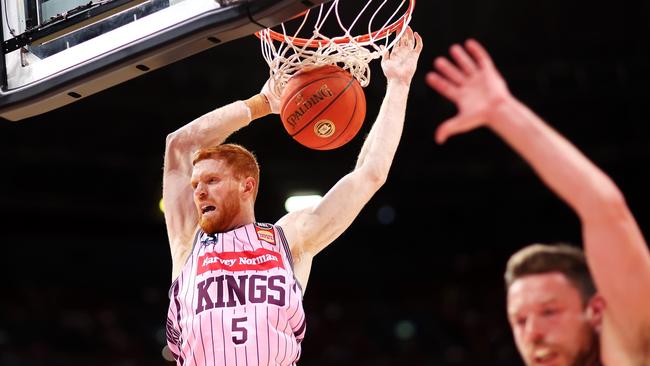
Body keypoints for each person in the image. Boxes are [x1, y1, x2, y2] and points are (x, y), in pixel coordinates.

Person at [161, 27, 422, 365]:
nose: (198, 191)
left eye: (211, 180)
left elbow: (369, 174)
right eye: (195, 185)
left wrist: (399, 84)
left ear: (247, 186)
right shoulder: (188, 244)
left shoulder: (290, 239)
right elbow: (178, 146)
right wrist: (262, 104)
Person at [426, 40, 650, 366]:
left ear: (597, 312)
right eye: (520, 321)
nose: (532, 334)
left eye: (549, 312)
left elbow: (603, 208)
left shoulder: (628, 352)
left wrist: (502, 111)